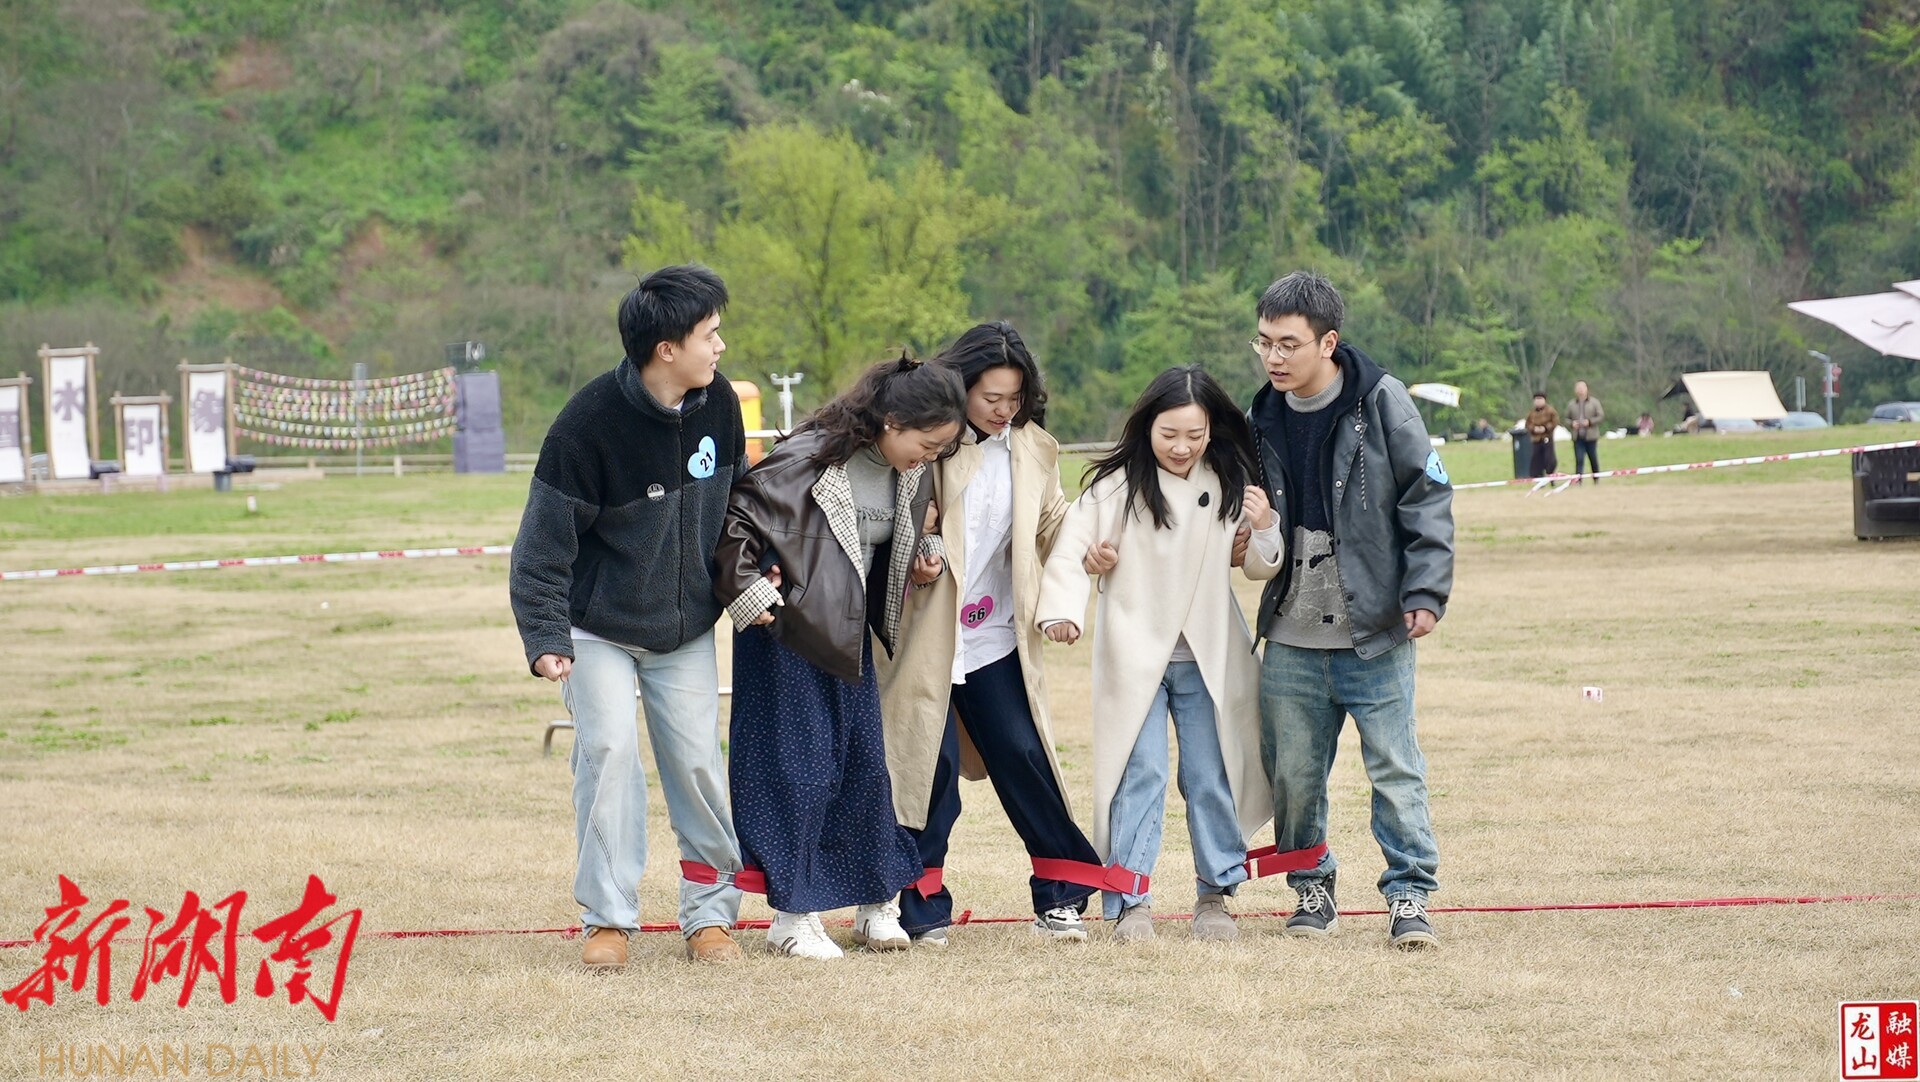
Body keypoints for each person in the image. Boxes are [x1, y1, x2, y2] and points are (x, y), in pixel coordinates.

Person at [508, 264, 748, 967]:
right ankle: (608, 920)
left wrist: (755, 577)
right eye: (710, 334)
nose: (720, 347)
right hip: (597, 629)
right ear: (666, 348)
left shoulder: (720, 403)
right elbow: (540, 549)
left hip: (686, 628)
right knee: (609, 755)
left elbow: (742, 505)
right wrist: (545, 636)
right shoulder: (586, 426)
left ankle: (710, 917)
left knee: (698, 765)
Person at [713, 356, 964, 960]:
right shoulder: (807, 459)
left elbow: (896, 531)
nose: (930, 458)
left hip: (848, 638)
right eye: (927, 444)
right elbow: (736, 520)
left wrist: (923, 552)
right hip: (789, 635)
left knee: (864, 766)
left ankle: (875, 903)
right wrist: (750, 591)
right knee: (799, 772)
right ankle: (791, 916)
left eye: (941, 449)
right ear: (891, 421)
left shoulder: (909, 470)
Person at [876, 322, 1107, 947]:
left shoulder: (1033, 447)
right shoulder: (934, 440)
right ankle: (919, 905)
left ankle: (1062, 894)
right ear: (962, 388)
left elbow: (1052, 521)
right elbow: (900, 518)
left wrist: (1087, 552)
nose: (1004, 410)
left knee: (1023, 754)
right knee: (930, 770)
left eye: (1015, 398)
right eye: (991, 398)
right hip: (927, 636)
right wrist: (917, 552)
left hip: (994, 635)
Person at [1035, 365, 1282, 942]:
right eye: (1169, 433)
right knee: (1138, 771)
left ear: (1211, 430)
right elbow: (1072, 549)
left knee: (1211, 772)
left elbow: (1256, 564)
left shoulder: (1227, 479)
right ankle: (1130, 900)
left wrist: (1264, 526)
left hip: (1206, 655)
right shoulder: (1115, 487)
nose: (1181, 446)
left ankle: (1216, 894)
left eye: (1194, 434)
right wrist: (1064, 610)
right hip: (1135, 654)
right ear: (1147, 426)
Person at [1245, 271, 1454, 949]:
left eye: (1288, 344)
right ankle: (1311, 886)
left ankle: (1409, 896)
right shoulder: (1260, 417)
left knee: (1395, 769)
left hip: (1377, 631)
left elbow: (1428, 496)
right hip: (1291, 636)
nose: (1273, 357)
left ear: (1328, 342)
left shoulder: (1383, 400)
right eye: (1264, 342)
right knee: (1293, 777)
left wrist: (1424, 592)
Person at [1565, 381, 1604, 483]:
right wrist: (1572, 424)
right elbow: (1566, 419)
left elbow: (1600, 416)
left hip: (1591, 436)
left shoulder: (1594, 402)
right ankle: (1578, 481)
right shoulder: (1571, 404)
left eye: (1582, 388)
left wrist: (1590, 422)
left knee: (1593, 459)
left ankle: (1596, 479)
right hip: (1578, 437)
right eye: (1578, 388)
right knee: (1579, 459)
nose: (1580, 390)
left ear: (1586, 389)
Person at [1525, 392, 1560, 478]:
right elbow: (1527, 424)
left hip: (1547, 438)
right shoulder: (1531, 412)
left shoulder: (1550, 411)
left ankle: (1550, 475)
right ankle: (1538, 477)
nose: (1538, 401)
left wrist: (1545, 428)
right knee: (1536, 460)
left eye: (1540, 399)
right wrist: (1534, 429)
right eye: (1536, 399)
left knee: (1550, 460)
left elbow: (1555, 421)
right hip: (1536, 440)